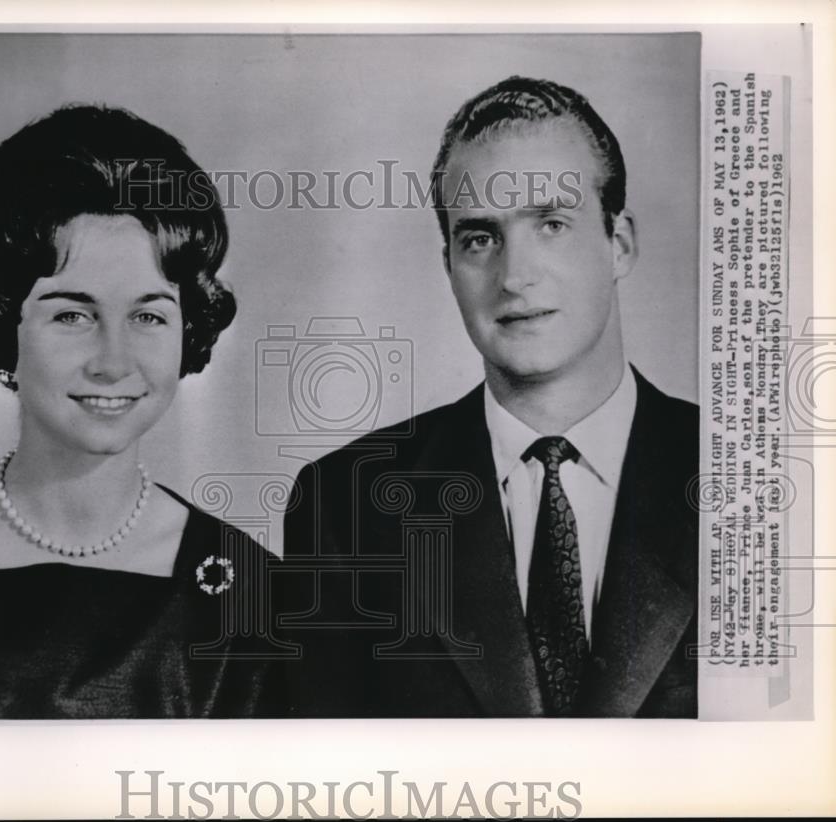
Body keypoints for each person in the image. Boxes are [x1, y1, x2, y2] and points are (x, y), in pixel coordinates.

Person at [282, 76, 698, 718]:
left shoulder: (754, 478)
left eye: (552, 224)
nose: (515, 277)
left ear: (619, 244)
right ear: (448, 264)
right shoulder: (344, 507)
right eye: (480, 238)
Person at [0, 105, 283, 719]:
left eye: (148, 315)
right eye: (72, 314)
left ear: (188, 329)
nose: (113, 363)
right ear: (0, 321)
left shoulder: (254, 597)